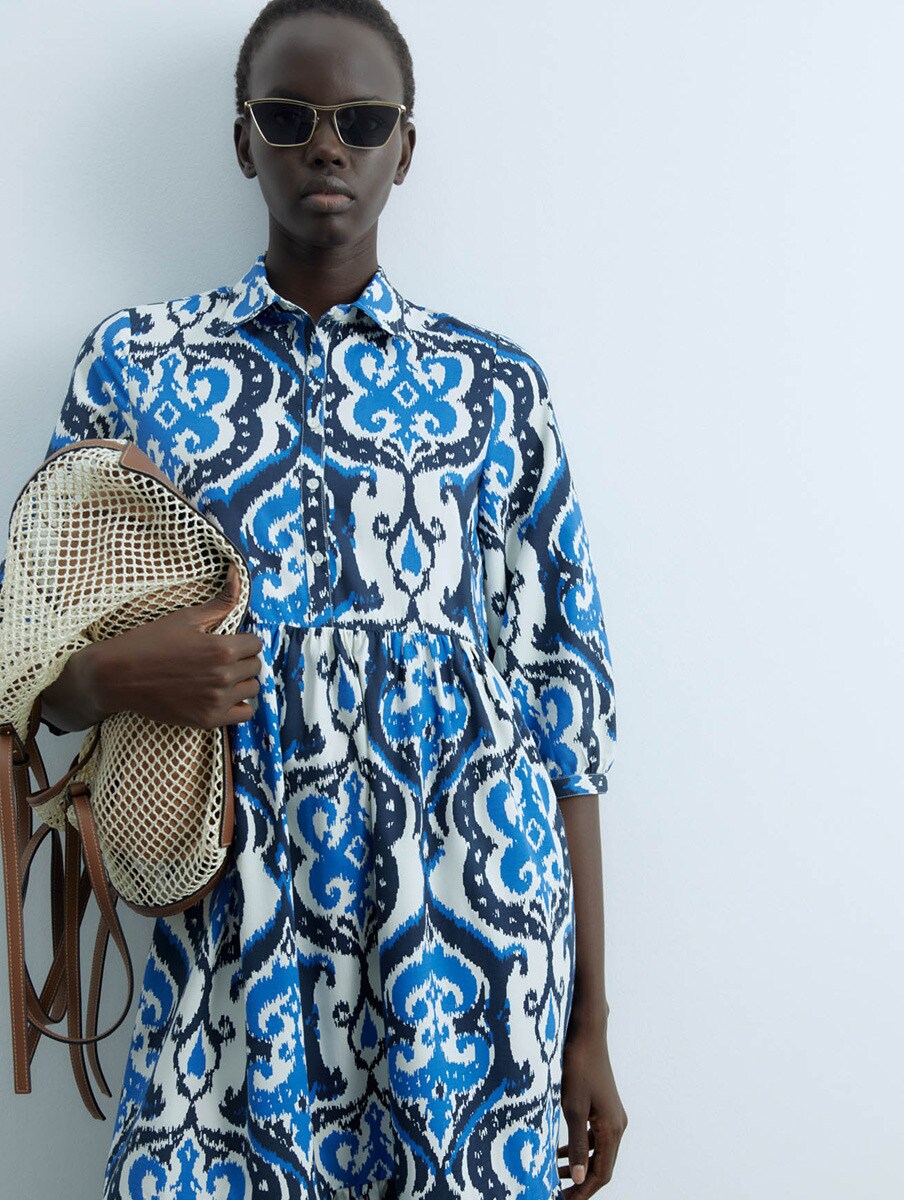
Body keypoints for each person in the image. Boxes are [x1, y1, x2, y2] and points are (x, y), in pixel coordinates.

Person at [37, 1, 626, 1196]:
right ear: (241, 139)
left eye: (361, 121)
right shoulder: (136, 365)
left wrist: (587, 1025)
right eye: (288, 116)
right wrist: (113, 674)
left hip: (466, 933)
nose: (325, 146)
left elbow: (567, 709)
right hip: (229, 911)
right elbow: (27, 658)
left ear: (404, 148)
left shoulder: (494, 387)